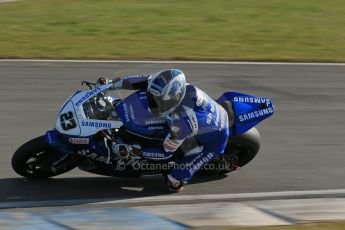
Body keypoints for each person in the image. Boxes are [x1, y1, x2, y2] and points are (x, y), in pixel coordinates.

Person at [101, 69, 230, 192]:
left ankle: (180, 180)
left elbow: (166, 152)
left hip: (215, 139)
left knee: (173, 181)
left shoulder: (182, 122)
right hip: (202, 117)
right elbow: (145, 80)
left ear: (174, 100)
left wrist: (134, 150)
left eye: (156, 101)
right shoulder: (171, 86)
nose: (151, 101)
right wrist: (109, 84)